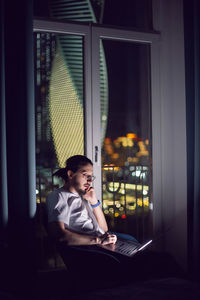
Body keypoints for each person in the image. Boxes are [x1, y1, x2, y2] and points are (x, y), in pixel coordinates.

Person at [46, 155, 184, 283]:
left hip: (100, 243)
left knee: (149, 254)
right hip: (91, 249)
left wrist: (94, 201)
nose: (89, 181)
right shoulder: (59, 196)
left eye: (91, 177)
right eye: (85, 175)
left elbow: (103, 229)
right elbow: (61, 236)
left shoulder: (83, 196)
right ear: (70, 174)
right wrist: (99, 240)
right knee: (160, 261)